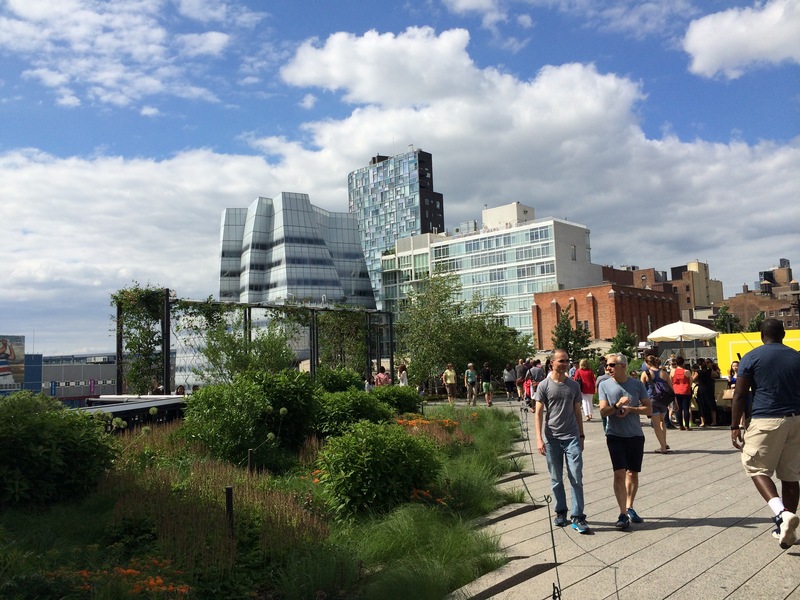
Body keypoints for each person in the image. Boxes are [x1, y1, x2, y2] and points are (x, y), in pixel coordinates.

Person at [731, 318, 800, 550]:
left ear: (762, 335)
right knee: (791, 475)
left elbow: (740, 395)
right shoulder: (797, 356)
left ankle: (782, 515)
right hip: (796, 419)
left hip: (766, 418)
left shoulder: (752, 357)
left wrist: (734, 426)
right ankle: (785, 529)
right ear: (783, 334)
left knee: (755, 467)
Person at [534, 349, 589, 534]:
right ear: (552, 363)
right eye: (561, 361)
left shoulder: (573, 385)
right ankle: (560, 511)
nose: (565, 364)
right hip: (552, 438)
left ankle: (578, 516)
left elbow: (577, 411)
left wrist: (581, 435)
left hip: (572, 436)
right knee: (556, 478)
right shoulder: (544, 385)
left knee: (576, 476)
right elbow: (539, 412)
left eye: (566, 361)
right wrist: (539, 438)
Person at [598, 353, 651, 529]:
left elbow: (648, 408)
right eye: (607, 365)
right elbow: (603, 411)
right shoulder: (604, 384)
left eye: (611, 365)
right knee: (619, 472)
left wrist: (631, 409)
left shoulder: (636, 385)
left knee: (632, 473)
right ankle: (622, 513)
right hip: (614, 435)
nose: (608, 368)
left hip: (635, 434)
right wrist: (616, 406)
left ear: (622, 366)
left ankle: (630, 506)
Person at [641, 354, 673, 454]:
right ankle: (664, 442)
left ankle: (663, 447)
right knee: (662, 421)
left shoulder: (645, 373)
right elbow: (671, 388)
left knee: (656, 424)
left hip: (652, 400)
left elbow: (642, 389)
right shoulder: (664, 373)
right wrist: (674, 402)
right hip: (664, 400)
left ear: (648, 363)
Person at [693, 359, 717, 427]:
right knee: (712, 405)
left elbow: (693, 379)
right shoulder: (709, 370)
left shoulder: (698, 372)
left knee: (701, 406)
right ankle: (714, 421)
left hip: (701, 389)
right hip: (709, 389)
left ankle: (703, 422)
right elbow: (715, 375)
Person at [671, 356, 693, 430]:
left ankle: (680, 425)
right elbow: (690, 382)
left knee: (678, 408)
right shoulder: (687, 372)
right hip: (686, 391)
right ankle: (687, 425)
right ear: (683, 363)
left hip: (676, 391)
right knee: (686, 408)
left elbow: (671, 381)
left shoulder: (673, 371)